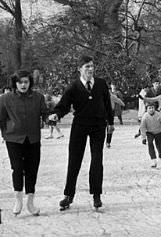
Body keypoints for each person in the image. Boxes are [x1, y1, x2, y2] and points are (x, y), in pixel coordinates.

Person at [49, 55, 115, 211]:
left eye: (92, 66)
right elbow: (64, 105)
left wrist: (110, 123)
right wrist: (56, 114)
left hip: (98, 125)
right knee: (74, 160)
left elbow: (107, 104)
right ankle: (68, 195)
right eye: (87, 67)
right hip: (80, 125)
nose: (90, 69)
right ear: (80, 69)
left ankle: (96, 195)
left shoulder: (101, 83)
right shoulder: (74, 87)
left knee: (97, 160)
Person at [0, 69, 49, 216]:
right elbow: (1, 118)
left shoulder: (38, 97)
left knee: (32, 169)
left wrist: (49, 119)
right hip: (13, 138)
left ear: (30, 83)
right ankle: (18, 200)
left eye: (26, 82)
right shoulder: (5, 98)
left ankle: (30, 202)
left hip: (33, 138)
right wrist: (5, 133)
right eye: (20, 82)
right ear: (15, 83)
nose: (23, 85)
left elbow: (44, 114)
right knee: (17, 168)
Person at [138, 102, 161, 167]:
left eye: (152, 108)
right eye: (149, 108)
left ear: (155, 108)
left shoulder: (159, 115)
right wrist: (143, 138)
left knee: (160, 146)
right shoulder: (145, 117)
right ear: (147, 109)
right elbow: (142, 127)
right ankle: (153, 160)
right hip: (149, 132)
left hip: (158, 132)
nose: (151, 109)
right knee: (150, 144)